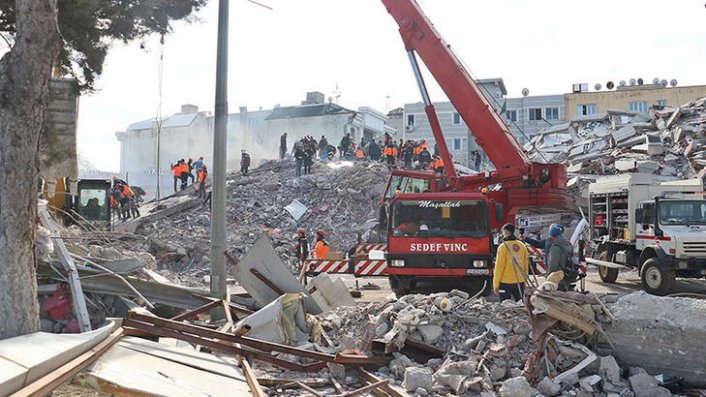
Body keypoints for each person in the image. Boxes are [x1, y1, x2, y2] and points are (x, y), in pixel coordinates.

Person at [493, 223, 529, 301]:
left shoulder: (503, 247)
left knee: (505, 306)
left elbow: (499, 267)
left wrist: (496, 285)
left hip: (505, 283)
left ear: (505, 232)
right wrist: (525, 283)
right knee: (521, 305)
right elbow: (526, 265)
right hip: (520, 281)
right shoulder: (522, 246)